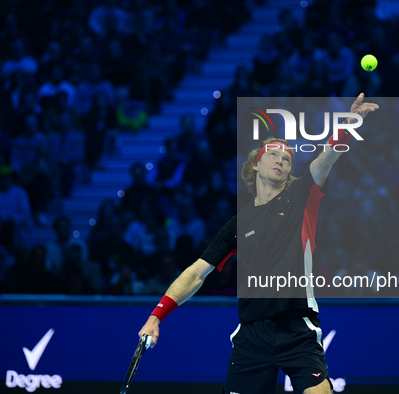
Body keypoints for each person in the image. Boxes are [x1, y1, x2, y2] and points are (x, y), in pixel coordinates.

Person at [138, 94, 379, 394]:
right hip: (251, 335)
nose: (282, 160)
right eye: (274, 154)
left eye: (288, 159)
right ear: (256, 164)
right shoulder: (238, 223)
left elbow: (327, 156)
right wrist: (155, 316)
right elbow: (196, 273)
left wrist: (349, 123)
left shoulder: (302, 196)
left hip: (297, 327)